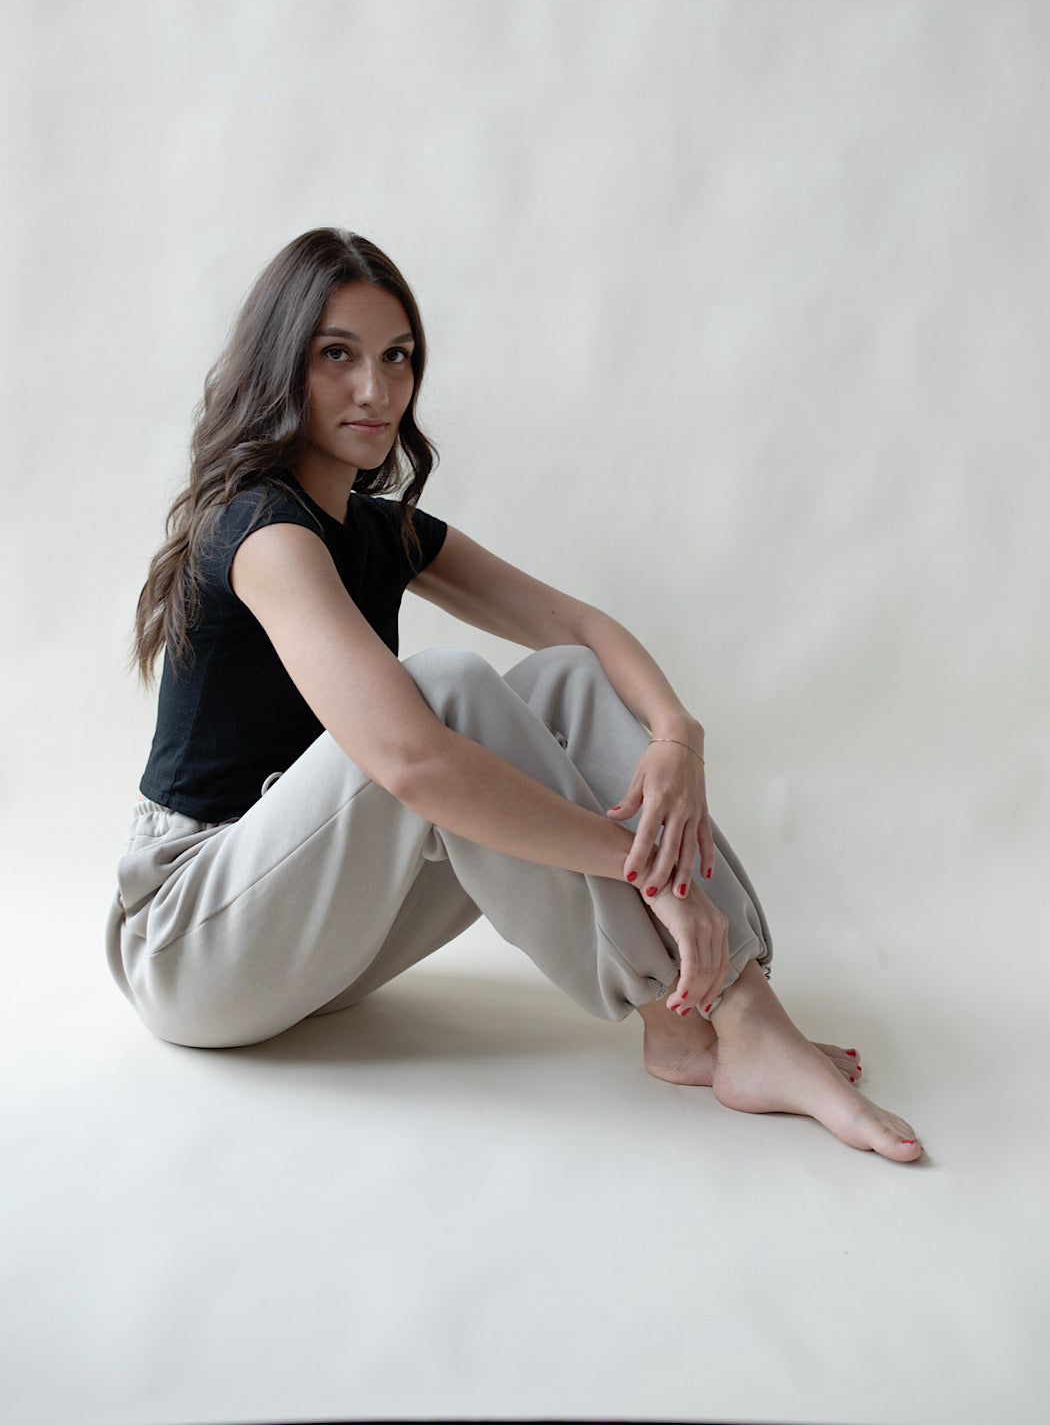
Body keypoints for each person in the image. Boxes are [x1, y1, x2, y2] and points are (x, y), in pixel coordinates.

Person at [107, 226, 922, 1164]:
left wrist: (677, 734)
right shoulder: (260, 529)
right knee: (443, 692)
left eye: (396, 356)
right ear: (280, 364)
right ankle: (722, 1017)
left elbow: (577, 627)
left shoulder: (377, 529)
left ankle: (714, 1018)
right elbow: (409, 760)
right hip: (191, 938)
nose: (375, 389)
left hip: (309, 940)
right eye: (337, 355)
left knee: (569, 680)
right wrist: (646, 872)